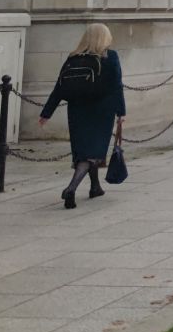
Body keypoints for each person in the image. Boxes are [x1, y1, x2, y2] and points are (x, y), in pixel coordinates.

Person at [38, 22, 126, 209]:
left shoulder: (73, 57)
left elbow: (59, 88)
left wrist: (47, 113)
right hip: (102, 111)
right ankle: (71, 188)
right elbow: (117, 86)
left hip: (77, 110)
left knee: (86, 151)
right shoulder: (110, 57)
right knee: (91, 154)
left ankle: (95, 187)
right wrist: (121, 112)